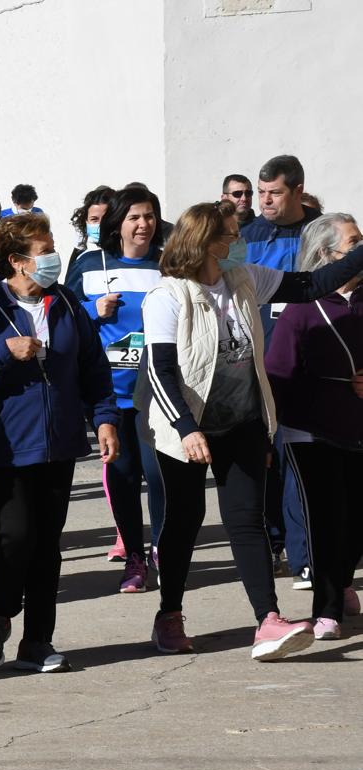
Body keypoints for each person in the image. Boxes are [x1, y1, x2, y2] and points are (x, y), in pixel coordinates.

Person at [133, 200, 363, 659]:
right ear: (207, 243)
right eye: (231, 236)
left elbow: (313, 283)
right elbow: (159, 371)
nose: (239, 242)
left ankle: (268, 621)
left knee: (246, 520)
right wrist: (185, 428)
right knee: (184, 521)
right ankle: (170, 614)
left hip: (241, 419)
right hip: (184, 425)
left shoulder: (244, 279)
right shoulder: (168, 295)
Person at [0, 214, 120, 674]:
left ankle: (37, 641)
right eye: (44, 252)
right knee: (16, 536)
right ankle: (1, 614)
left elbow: (92, 366)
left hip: (60, 441)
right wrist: (3, 352)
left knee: (47, 543)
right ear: (17, 262)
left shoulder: (65, 302)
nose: (52, 259)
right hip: (8, 442)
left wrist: (104, 418)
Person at [264, 213, 363, 640]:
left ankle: (342, 580)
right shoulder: (301, 308)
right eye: (354, 243)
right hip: (310, 431)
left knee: (357, 520)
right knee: (326, 519)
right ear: (328, 255)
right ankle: (327, 610)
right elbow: (278, 374)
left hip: (358, 426)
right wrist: (270, 437)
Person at [65, 186, 167, 590]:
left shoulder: (169, 264)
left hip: (159, 391)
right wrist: (93, 309)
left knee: (159, 477)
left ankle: (162, 550)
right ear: (118, 223)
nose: (144, 224)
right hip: (112, 393)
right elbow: (64, 315)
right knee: (123, 477)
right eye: (135, 217)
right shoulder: (91, 263)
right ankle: (135, 560)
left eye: (150, 216)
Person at [244, 154, 321, 589]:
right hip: (255, 367)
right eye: (261, 191)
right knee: (263, 462)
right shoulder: (248, 234)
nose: (265, 200)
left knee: (298, 462)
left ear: (297, 190)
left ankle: (303, 553)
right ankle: (270, 540)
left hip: (305, 367)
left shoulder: (321, 231)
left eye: (274, 192)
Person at [66, 185, 115, 274]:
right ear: (86, 222)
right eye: (94, 219)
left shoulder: (135, 257)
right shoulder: (81, 263)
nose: (100, 225)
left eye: (106, 218)